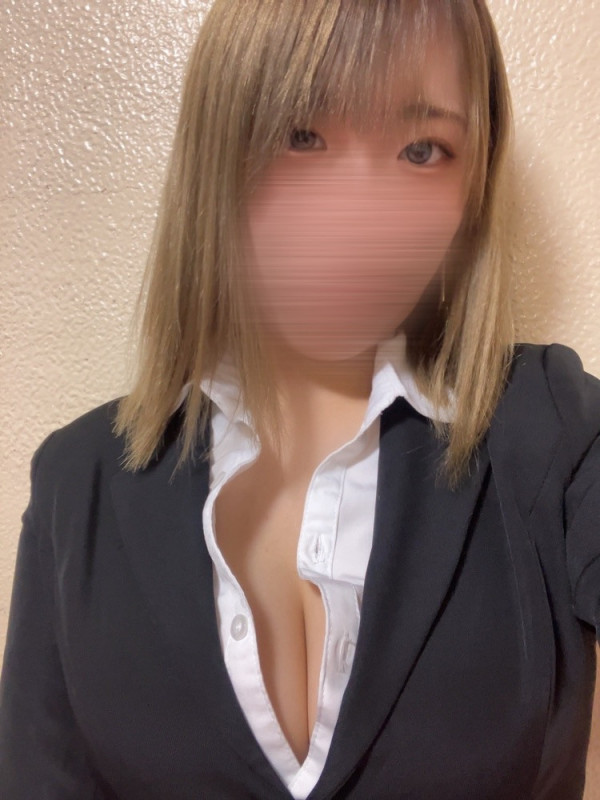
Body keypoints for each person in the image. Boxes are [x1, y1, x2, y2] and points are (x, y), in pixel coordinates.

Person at [1, 1, 599, 798]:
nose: (358, 217)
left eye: (423, 150)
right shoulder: (78, 486)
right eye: (301, 135)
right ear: (218, 148)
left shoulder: (554, 432)